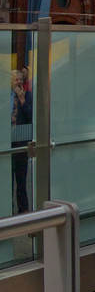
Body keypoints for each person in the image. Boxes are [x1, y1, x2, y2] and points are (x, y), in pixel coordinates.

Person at [10, 69, 32, 214]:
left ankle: (23, 209)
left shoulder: (27, 95)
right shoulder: (6, 97)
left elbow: (32, 117)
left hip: (20, 142)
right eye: (15, 79)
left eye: (20, 79)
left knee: (21, 178)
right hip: (7, 141)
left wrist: (23, 100)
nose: (19, 82)